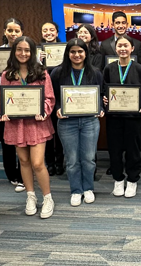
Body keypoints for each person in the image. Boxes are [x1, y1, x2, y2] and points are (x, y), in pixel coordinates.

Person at [0, 36, 56, 219]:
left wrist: (44, 111)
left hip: (36, 123)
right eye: (19, 49)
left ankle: (48, 198)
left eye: (27, 50)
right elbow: (2, 99)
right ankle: (30, 196)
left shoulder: (41, 73)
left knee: (38, 163)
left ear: (33, 53)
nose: (23, 53)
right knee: (23, 161)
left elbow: (49, 98)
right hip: (16, 124)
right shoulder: (6, 74)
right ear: (14, 52)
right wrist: (4, 112)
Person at [51, 38, 104, 207]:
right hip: (67, 123)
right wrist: (58, 108)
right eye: (73, 51)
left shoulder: (95, 72)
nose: (77, 55)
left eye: (80, 51)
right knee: (72, 159)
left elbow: (101, 95)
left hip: (90, 121)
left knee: (88, 158)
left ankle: (88, 188)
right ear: (67, 54)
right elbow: (53, 98)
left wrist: (101, 107)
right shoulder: (58, 73)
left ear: (86, 53)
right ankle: (76, 190)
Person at [103, 34, 141, 198]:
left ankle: (132, 180)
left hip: (134, 118)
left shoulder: (139, 69)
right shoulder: (109, 69)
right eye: (120, 46)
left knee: (133, 150)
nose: (123, 49)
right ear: (115, 49)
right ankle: (118, 179)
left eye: (126, 46)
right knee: (115, 150)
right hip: (114, 118)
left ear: (132, 49)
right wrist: (103, 98)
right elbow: (104, 92)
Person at [0, 18, 25, 192]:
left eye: (17, 31)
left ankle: (23, 175)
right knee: (6, 140)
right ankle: (11, 174)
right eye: (10, 30)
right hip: (3, 100)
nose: (13, 34)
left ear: (22, 32)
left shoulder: (28, 51)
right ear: (5, 32)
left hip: (24, 101)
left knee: (24, 139)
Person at [41, 20, 65, 177]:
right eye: (45, 30)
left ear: (57, 33)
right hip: (43, 96)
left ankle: (60, 162)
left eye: (51, 30)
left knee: (60, 130)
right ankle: (49, 163)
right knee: (47, 130)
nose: (48, 33)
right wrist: (39, 61)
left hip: (61, 94)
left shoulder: (65, 49)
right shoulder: (36, 51)